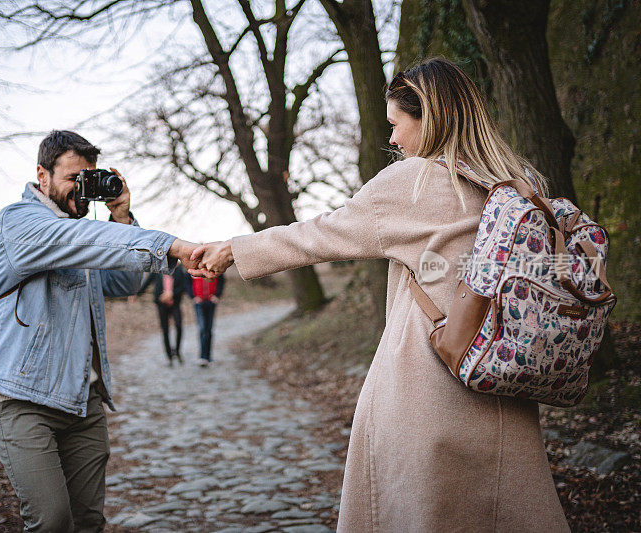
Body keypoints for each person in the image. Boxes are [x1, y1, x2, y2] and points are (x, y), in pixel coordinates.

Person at [191, 58, 569, 531]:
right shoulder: (519, 182)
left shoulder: (414, 180)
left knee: (424, 512)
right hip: (505, 386)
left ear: (428, 117)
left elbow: (320, 234)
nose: (392, 139)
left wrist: (235, 250)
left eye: (396, 124)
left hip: (431, 384)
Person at [0, 130, 203, 532]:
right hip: (21, 397)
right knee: (52, 521)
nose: (82, 188)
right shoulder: (19, 221)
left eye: (88, 179)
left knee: (88, 520)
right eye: (73, 178)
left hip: (81, 399)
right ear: (42, 175)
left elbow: (124, 284)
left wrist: (122, 214)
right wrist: (171, 245)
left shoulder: (82, 235)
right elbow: (78, 239)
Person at [138, 264, 190, 366]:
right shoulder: (157, 269)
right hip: (161, 304)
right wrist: (136, 293)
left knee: (179, 326)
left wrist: (171, 294)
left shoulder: (178, 270)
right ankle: (169, 355)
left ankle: (177, 351)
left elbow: (183, 286)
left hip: (175, 303)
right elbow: (148, 282)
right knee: (165, 330)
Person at [187, 273, 225, 366]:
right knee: (202, 328)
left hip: (211, 301)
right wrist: (193, 296)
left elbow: (221, 280)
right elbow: (187, 282)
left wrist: (217, 295)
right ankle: (202, 357)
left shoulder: (212, 265)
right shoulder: (194, 268)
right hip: (199, 303)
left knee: (209, 329)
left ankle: (208, 356)